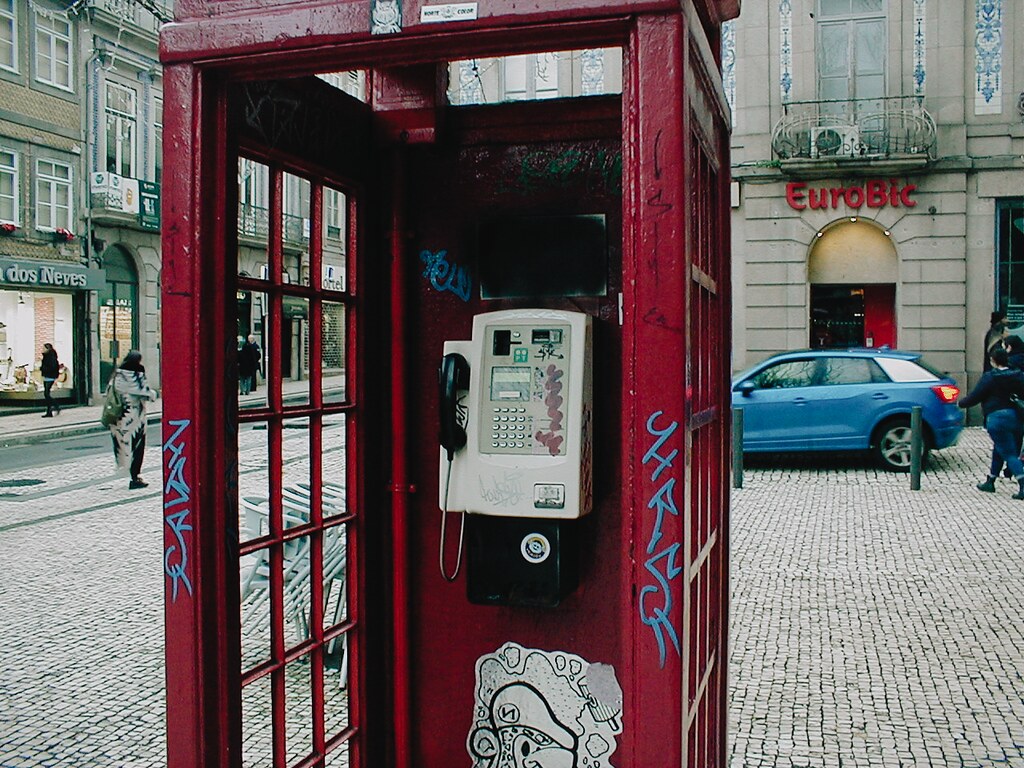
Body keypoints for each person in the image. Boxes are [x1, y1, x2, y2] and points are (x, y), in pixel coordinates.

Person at [958, 347, 1024, 498]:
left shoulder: (990, 377)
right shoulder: (1019, 375)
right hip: (1017, 418)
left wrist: (960, 404)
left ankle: (1022, 485)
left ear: (993, 361)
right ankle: (991, 480)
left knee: (1009, 453)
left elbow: (975, 396)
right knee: (1000, 448)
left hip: (997, 418)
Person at [109, 350, 157, 490]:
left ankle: (125, 470)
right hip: (134, 418)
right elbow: (147, 393)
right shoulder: (135, 374)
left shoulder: (117, 375)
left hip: (119, 417)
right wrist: (154, 394)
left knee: (123, 447)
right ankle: (134, 477)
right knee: (137, 448)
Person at [40, 343, 60, 417]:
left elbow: (52, 367)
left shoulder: (50, 357)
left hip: (50, 376)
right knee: (46, 394)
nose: (42, 349)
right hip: (47, 376)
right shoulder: (47, 356)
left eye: (44, 348)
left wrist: (43, 368)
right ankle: (49, 411)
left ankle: (55, 405)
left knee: (46, 394)